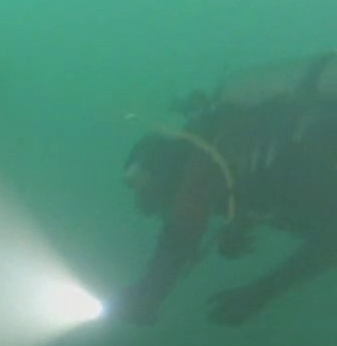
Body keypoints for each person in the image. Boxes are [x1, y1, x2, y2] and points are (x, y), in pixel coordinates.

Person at [114, 51, 337, 326]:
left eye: (164, 199)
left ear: (172, 176)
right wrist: (262, 291)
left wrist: (149, 293)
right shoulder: (252, 166)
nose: (164, 211)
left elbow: (185, 225)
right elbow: (331, 241)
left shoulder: (209, 146)